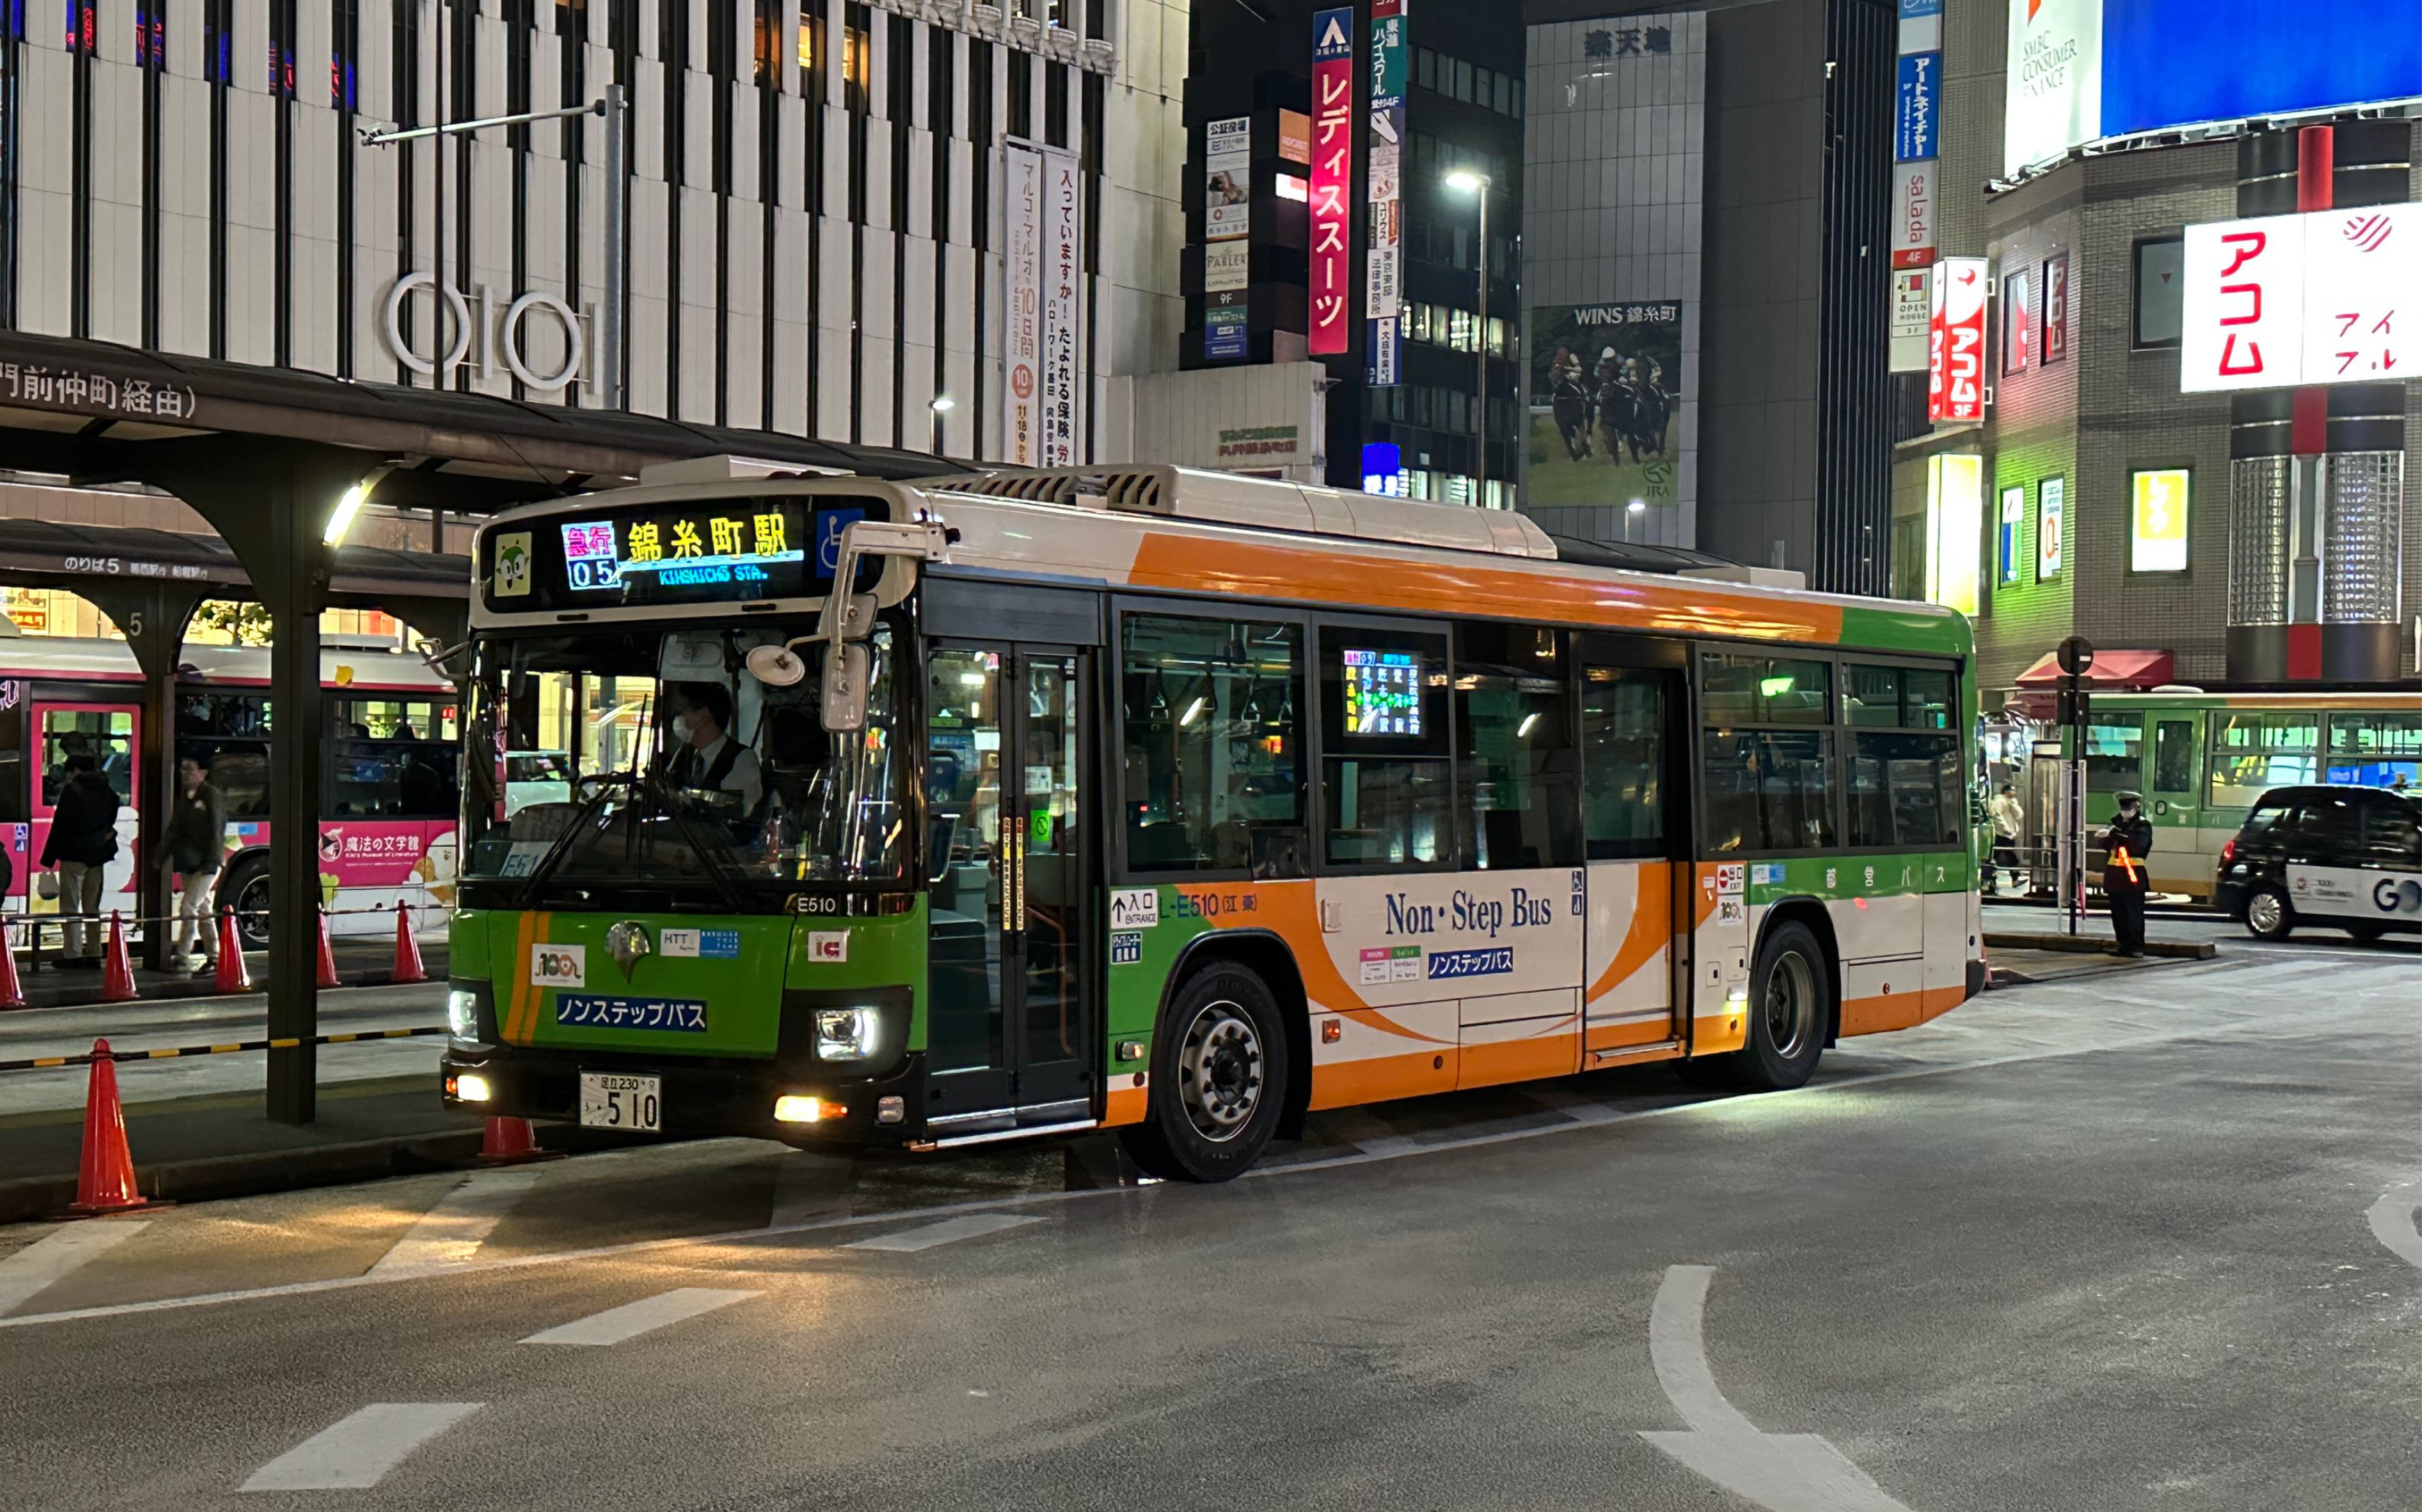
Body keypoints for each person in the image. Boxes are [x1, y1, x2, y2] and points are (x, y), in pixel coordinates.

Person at [40, 754, 119, 969]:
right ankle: (94, 952)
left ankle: (73, 954)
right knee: (92, 906)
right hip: (98, 855)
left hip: (74, 856)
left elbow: (61, 828)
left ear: (75, 771)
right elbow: (111, 817)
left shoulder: (73, 792)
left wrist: (48, 858)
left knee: (70, 905)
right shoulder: (107, 791)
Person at [162, 755, 227, 976]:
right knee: (203, 909)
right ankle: (214, 956)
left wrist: (211, 862)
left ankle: (182, 955)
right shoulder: (186, 799)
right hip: (191, 864)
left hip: (208, 863)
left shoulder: (212, 796)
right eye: (183, 770)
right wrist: (160, 855)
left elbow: (217, 831)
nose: (185, 774)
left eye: (190, 770)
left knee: (188, 907)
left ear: (203, 773)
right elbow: (175, 829)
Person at [663, 683, 764, 819]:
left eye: (684, 710)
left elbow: (737, 813)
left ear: (703, 715)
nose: (678, 718)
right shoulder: (685, 753)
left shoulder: (742, 759)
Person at [2100, 790, 2154, 959]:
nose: (2125, 809)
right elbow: (2107, 846)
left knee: (2133, 913)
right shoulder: (2115, 823)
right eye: (2123, 806)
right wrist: (2106, 837)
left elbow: (2137, 845)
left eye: (2128, 806)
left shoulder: (2143, 825)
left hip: (2133, 876)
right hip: (2116, 876)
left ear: (2136, 806)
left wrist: (2116, 834)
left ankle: (2136, 947)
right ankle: (2123, 945)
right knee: (2119, 914)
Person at [1989, 782, 2024, 894]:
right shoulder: (2000, 801)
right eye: (2011, 790)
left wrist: (2013, 804)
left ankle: (1992, 879)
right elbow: (1995, 814)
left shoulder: (2011, 802)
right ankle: (2012, 878)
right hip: (2002, 833)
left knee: (1999, 856)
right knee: (2008, 856)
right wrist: (2004, 827)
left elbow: (2019, 815)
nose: (2013, 792)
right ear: (2005, 791)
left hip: (2009, 834)